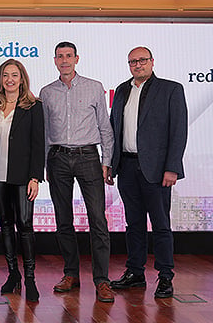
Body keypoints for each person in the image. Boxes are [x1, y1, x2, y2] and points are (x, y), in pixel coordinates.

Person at [108, 46, 188, 299]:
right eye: (132, 61)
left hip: (157, 169)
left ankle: (165, 276)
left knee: (161, 225)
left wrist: (172, 167)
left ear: (152, 62)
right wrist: (111, 163)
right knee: (134, 224)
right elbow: (114, 129)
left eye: (142, 60)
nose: (137, 65)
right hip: (127, 167)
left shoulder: (171, 89)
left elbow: (178, 131)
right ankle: (135, 273)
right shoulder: (121, 90)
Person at [39, 41, 115, 303]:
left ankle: (102, 280)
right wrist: (44, 165)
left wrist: (107, 161)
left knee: (98, 219)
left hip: (88, 157)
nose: (64, 61)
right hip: (58, 157)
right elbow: (44, 132)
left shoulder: (94, 87)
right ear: (54, 60)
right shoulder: (46, 92)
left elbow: (105, 127)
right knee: (63, 220)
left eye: (69, 56)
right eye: (60, 56)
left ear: (77, 58)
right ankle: (70, 273)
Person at [0, 59, 44, 302]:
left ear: (22, 78)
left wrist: (35, 177)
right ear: (0, 79)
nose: (10, 79)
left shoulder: (34, 106)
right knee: (5, 224)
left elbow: (38, 143)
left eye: (14, 75)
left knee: (25, 224)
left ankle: (30, 278)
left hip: (22, 176)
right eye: (5, 75)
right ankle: (13, 275)